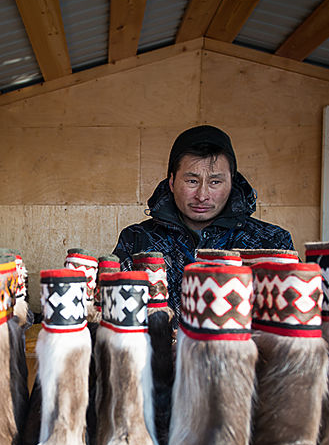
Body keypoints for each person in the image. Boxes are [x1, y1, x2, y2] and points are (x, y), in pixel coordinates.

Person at [113, 125, 294, 318]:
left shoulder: (272, 243)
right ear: (172, 182)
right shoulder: (137, 240)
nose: (202, 195)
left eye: (215, 182)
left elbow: (295, 321)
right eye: (192, 181)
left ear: (232, 183)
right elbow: (113, 314)